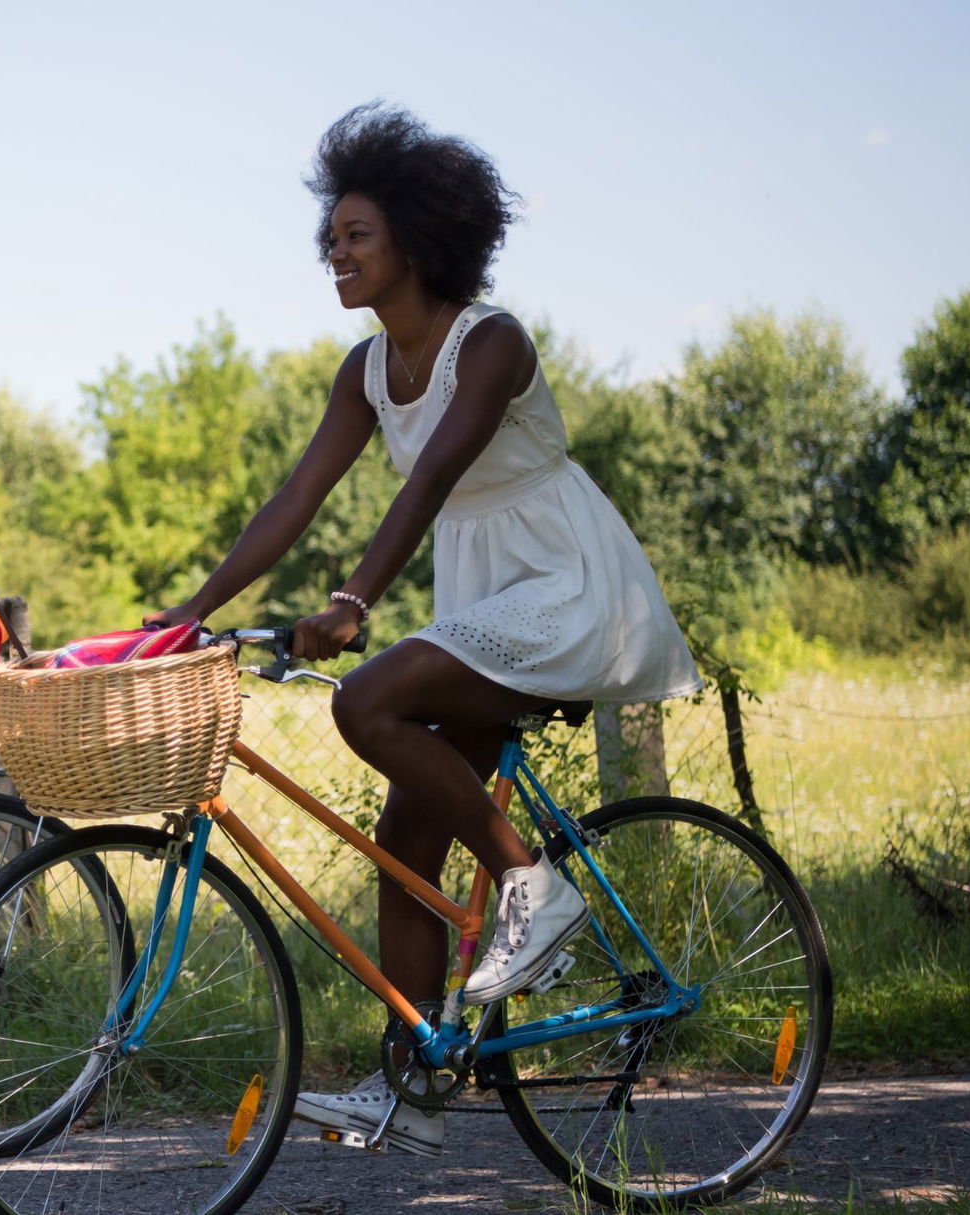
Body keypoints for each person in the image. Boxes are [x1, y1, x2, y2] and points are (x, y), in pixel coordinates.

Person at [145, 105, 701, 1156]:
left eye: (355, 235)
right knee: (405, 843)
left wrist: (354, 600)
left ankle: (531, 888)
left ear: (416, 236)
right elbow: (294, 497)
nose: (334, 253)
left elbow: (432, 477)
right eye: (329, 239)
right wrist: (193, 608)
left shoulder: (490, 342)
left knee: (369, 696)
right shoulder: (362, 369)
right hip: (484, 601)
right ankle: (407, 1084)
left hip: (565, 585)